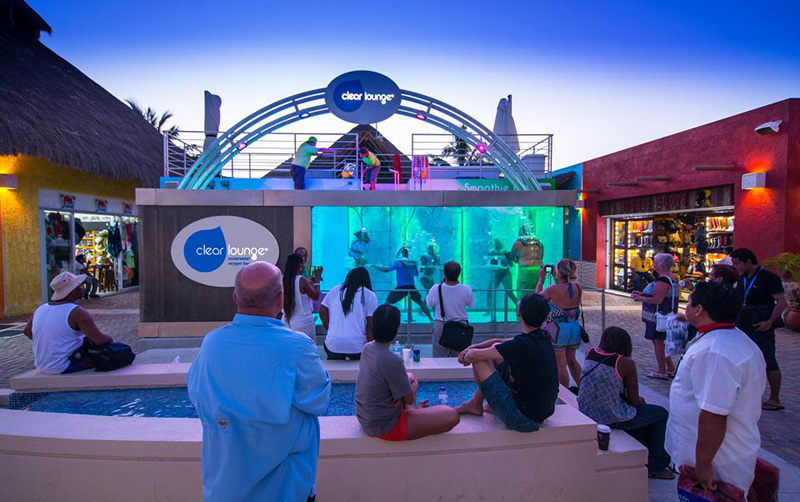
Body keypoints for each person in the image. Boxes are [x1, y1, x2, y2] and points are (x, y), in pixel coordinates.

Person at [188, 262, 330, 502]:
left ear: (235, 296)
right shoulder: (298, 346)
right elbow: (320, 401)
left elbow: (197, 396)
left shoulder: (211, 343)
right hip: (285, 489)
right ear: (280, 299)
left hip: (225, 488)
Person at [666, 281, 766, 494]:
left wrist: (703, 463)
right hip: (714, 456)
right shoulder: (729, 339)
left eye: (689, 302)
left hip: (718, 464)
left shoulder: (715, 352)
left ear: (699, 310)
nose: (687, 307)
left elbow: (714, 414)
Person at [577, 327, 674, 480]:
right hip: (611, 416)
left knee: (645, 416)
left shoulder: (591, 353)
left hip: (586, 410)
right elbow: (635, 399)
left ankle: (651, 458)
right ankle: (657, 466)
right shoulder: (625, 362)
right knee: (660, 414)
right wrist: (641, 401)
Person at [455, 293, 559, 432]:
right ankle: (476, 403)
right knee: (495, 353)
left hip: (522, 420)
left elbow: (472, 357)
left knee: (480, 359)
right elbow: (497, 342)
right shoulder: (543, 338)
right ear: (546, 318)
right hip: (541, 412)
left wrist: (468, 353)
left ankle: (476, 404)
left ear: (518, 313)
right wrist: (472, 347)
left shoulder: (520, 345)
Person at [356, 304, 460, 440]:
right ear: (396, 329)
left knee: (411, 377)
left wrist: (398, 397)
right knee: (451, 415)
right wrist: (401, 398)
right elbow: (409, 399)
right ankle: (413, 413)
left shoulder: (367, 348)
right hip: (385, 426)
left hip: (365, 417)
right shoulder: (393, 361)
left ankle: (413, 413)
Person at [23, 271, 113, 374]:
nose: (83, 288)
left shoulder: (41, 309)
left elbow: (27, 331)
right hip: (65, 365)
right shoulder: (77, 312)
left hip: (42, 364)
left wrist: (51, 342)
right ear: (71, 291)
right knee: (116, 353)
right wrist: (110, 339)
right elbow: (100, 340)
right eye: (79, 285)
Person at [731, 248, 788, 411]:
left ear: (748, 261)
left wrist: (769, 321)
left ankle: (775, 398)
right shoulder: (742, 279)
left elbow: (782, 302)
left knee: (768, 359)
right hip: (743, 323)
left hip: (761, 324)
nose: (736, 267)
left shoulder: (769, 278)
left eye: (738, 264)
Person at [631, 253, 680, 380]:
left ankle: (661, 370)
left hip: (659, 317)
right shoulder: (671, 277)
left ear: (660, 265)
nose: (653, 264)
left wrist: (639, 298)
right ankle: (670, 368)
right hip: (664, 315)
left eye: (655, 262)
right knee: (659, 342)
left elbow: (658, 299)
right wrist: (643, 293)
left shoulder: (663, 279)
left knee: (658, 342)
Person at [536, 259, 582, 388]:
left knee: (560, 364)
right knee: (572, 361)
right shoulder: (578, 287)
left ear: (559, 271)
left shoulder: (552, 289)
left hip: (558, 330)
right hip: (574, 327)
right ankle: (583, 389)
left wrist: (541, 280)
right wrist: (557, 275)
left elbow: (536, 299)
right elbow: (565, 288)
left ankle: (564, 394)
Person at [319, 267, 378, 360]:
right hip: (357, 347)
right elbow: (370, 324)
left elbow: (322, 311)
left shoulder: (335, 290)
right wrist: (371, 347)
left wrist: (329, 329)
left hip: (333, 345)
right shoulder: (369, 295)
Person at [426, 261, 475, 357]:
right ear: (459, 273)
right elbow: (471, 304)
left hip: (441, 326)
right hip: (461, 327)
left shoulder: (436, 288)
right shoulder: (466, 289)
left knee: (439, 360)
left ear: (444, 273)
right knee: (459, 359)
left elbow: (429, 303)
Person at [372, 247, 433, 322]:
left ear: (401, 254)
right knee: (421, 303)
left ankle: (381, 319)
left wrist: (376, 266)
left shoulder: (398, 263)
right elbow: (416, 274)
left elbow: (386, 270)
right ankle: (431, 319)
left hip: (401, 287)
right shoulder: (412, 263)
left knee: (387, 303)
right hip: (411, 287)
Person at [283, 253, 322, 339]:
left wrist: (308, 282)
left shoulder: (284, 279)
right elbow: (315, 296)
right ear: (300, 265)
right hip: (303, 322)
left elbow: (297, 288)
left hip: (287, 322)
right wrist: (317, 280)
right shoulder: (301, 279)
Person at [486, 238, 517, 322]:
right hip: (496, 273)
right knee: (490, 291)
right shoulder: (491, 252)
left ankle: (518, 307)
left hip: (505, 273)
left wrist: (508, 259)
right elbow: (489, 262)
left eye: (498, 243)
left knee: (509, 292)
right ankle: (489, 310)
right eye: (496, 243)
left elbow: (511, 263)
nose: (497, 244)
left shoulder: (505, 252)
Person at [510, 224, 544, 299]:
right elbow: (541, 257)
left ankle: (522, 310)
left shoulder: (518, 243)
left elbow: (512, 256)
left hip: (524, 271)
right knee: (536, 295)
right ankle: (535, 310)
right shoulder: (539, 243)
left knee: (522, 296)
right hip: (538, 270)